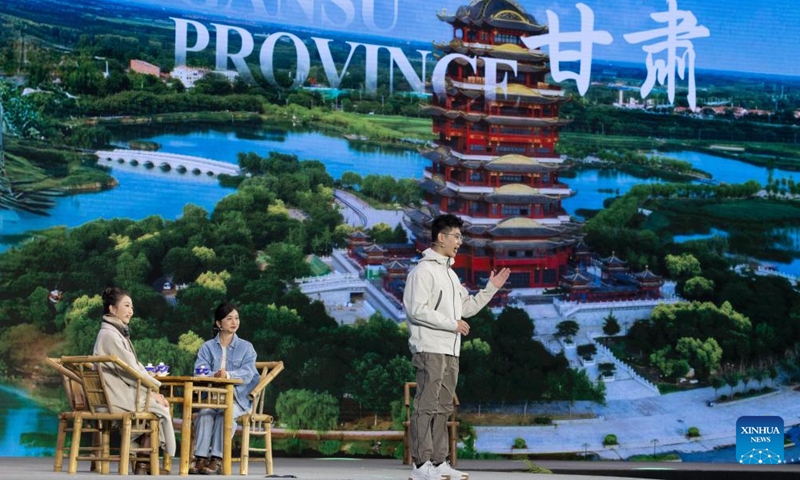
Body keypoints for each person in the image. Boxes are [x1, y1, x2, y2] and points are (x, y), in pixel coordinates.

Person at [403, 214, 510, 480]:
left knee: (443, 407)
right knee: (425, 404)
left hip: (451, 350)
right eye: (456, 236)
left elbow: (467, 308)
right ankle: (420, 465)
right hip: (429, 347)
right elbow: (416, 310)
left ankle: (439, 462)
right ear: (441, 237)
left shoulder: (450, 275)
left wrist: (490, 290)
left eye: (461, 237)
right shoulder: (423, 271)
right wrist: (452, 324)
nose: (460, 242)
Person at [93, 286, 176, 474]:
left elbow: (132, 366)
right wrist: (154, 389)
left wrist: (152, 390)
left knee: (157, 404)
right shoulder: (110, 334)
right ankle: (144, 463)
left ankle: (143, 462)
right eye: (127, 306)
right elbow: (131, 371)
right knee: (160, 407)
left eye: (131, 306)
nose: (131, 311)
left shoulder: (113, 332)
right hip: (116, 395)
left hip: (119, 391)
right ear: (112, 310)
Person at [189, 302, 258, 475]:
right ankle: (201, 458)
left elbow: (248, 373)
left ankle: (217, 459)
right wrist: (214, 375)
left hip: (238, 399)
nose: (234, 322)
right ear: (219, 323)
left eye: (236, 318)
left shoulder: (246, 347)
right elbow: (199, 372)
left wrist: (227, 375)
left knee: (224, 414)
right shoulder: (207, 347)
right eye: (229, 318)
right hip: (213, 398)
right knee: (205, 413)